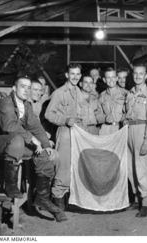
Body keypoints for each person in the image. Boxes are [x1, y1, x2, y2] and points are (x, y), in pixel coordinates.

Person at [0, 76, 67, 222]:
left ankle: (42, 197)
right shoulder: (6, 103)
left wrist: (46, 146)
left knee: (44, 154)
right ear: (14, 88)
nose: (26, 90)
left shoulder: (26, 105)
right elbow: (9, 127)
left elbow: (36, 127)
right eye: (23, 86)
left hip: (14, 144)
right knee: (18, 140)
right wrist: (32, 139)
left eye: (28, 87)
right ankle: (11, 185)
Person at [45, 63, 83, 210]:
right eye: (72, 74)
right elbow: (49, 114)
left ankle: (68, 198)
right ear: (67, 75)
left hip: (78, 133)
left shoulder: (78, 91)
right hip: (65, 132)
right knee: (63, 167)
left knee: (75, 165)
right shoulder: (59, 93)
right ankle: (57, 198)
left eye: (77, 74)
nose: (75, 77)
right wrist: (65, 120)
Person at [124, 63, 147, 217]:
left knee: (142, 168)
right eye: (135, 73)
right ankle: (137, 199)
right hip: (129, 130)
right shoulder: (130, 93)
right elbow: (127, 113)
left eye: (141, 73)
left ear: (145, 76)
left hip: (142, 131)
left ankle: (146, 203)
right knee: (131, 168)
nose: (137, 76)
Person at [99, 67, 128, 135]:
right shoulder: (101, 96)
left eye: (113, 77)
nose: (111, 80)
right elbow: (98, 114)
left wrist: (123, 118)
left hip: (121, 129)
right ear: (104, 80)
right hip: (105, 130)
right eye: (108, 77)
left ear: (117, 78)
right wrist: (105, 118)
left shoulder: (126, 93)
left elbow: (130, 112)